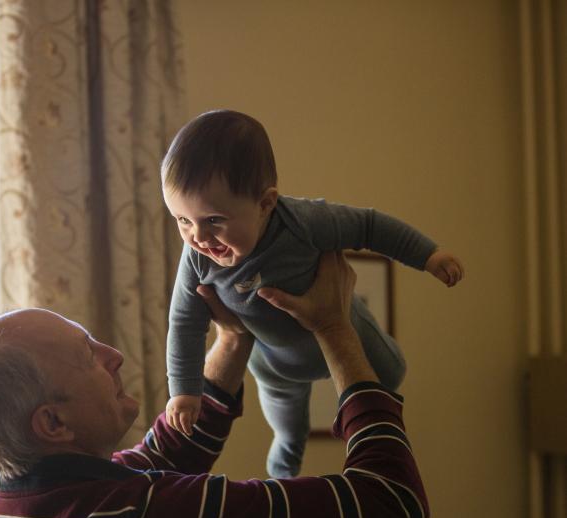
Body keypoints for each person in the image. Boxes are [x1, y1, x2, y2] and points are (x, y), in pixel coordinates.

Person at [0, 252, 429, 518]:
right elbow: (390, 502)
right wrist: (334, 328)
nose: (114, 356)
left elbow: (160, 456)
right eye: (88, 357)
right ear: (53, 422)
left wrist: (233, 337)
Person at [163, 109, 464, 477]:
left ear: (265, 204)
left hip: (345, 327)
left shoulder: (303, 222)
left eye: (213, 220)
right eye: (182, 220)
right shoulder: (196, 258)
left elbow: (369, 226)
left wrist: (429, 255)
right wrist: (184, 390)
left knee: (392, 372)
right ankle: (283, 476)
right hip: (275, 365)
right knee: (289, 431)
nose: (198, 237)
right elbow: (184, 322)